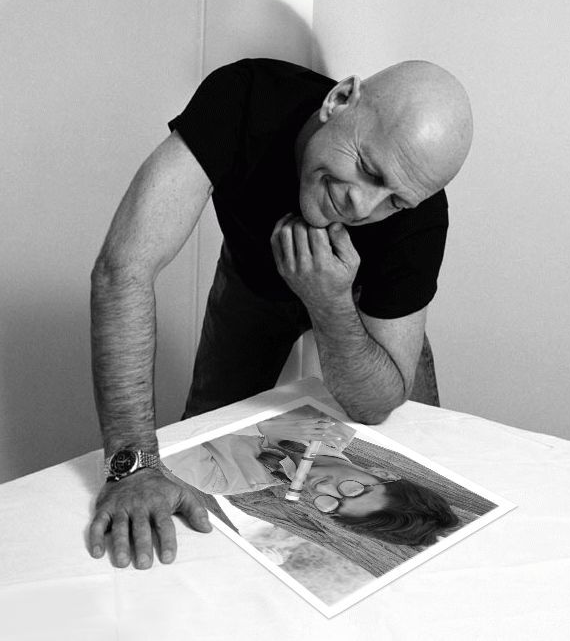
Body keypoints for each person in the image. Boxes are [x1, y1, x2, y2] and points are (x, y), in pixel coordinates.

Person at [89, 57, 473, 569]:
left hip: (358, 311)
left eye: (395, 202)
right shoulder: (244, 97)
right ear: (339, 101)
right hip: (251, 282)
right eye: (368, 170)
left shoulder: (420, 215)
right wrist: (133, 468)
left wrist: (330, 302)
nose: (363, 208)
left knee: (417, 456)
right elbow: (123, 269)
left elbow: (375, 405)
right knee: (197, 450)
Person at [164, 408, 458, 548]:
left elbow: (163, 436)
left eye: (332, 504)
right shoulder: (342, 419)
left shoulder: (222, 480)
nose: (325, 488)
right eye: (353, 490)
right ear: (383, 473)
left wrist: (261, 427)